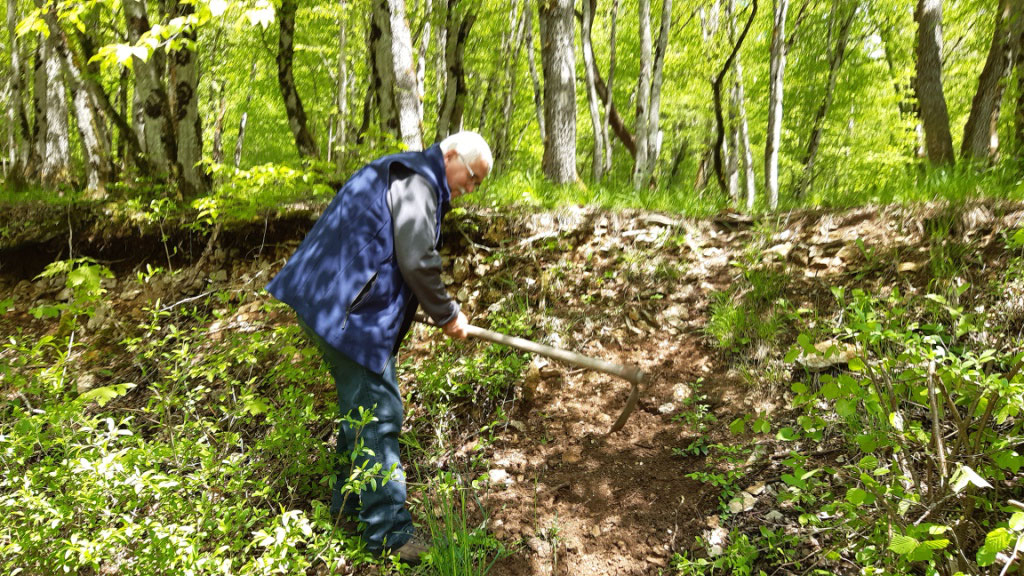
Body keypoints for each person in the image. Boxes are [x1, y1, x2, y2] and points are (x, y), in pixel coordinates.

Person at [265, 131, 492, 565]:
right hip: (346, 312)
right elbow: (416, 258)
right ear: (450, 155)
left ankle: (348, 511)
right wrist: (447, 314)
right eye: (472, 177)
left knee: (361, 412)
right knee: (379, 411)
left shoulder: (403, 172)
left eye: (477, 183)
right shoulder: (418, 183)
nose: (469, 189)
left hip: (328, 302)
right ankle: (388, 533)